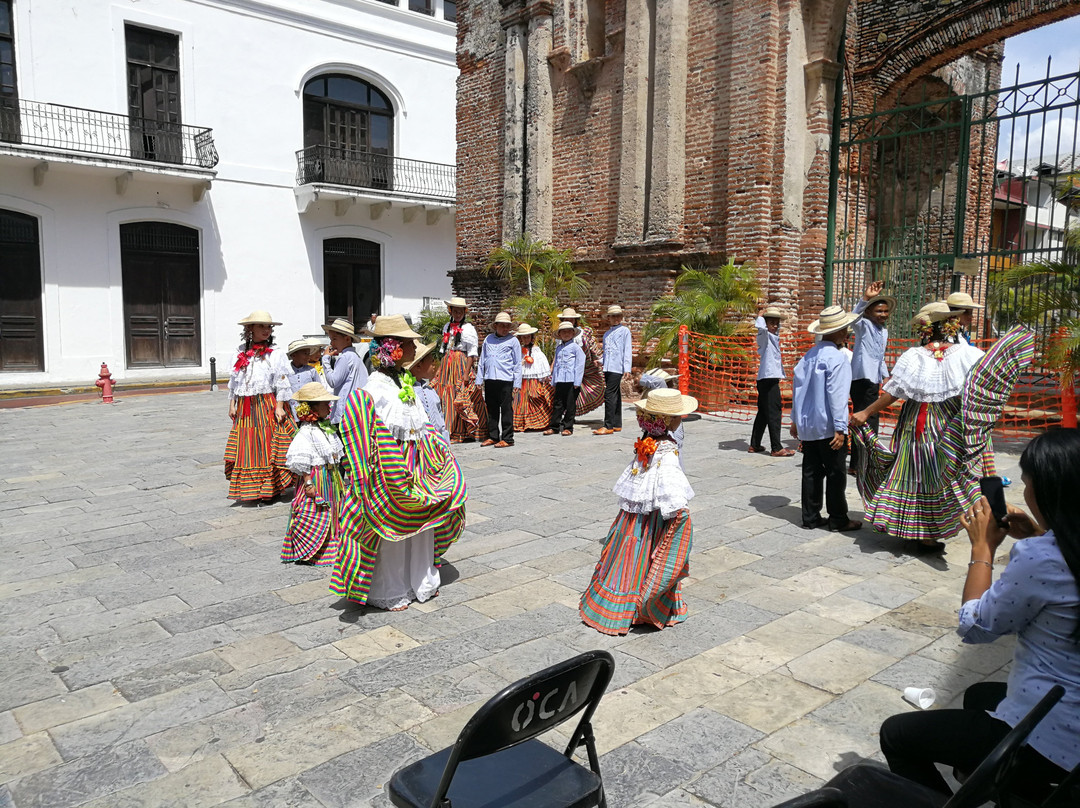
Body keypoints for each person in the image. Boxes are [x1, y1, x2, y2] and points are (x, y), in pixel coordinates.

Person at [878, 428, 1080, 803]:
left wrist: (982, 548)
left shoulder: (1042, 558)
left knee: (897, 734)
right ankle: (1015, 792)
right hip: (1070, 714)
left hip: (1053, 738)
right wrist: (1037, 532)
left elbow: (975, 626)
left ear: (1048, 490)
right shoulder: (1055, 547)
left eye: (1028, 483)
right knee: (979, 694)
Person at [331, 314, 467, 611]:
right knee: (393, 531)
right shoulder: (375, 388)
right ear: (393, 349)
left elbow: (421, 426)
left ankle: (421, 581)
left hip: (419, 467)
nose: (412, 348)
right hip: (391, 469)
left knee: (420, 526)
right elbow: (366, 433)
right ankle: (389, 588)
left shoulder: (404, 382)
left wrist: (441, 455)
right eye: (408, 344)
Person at [850, 301, 984, 551]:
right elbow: (981, 386)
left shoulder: (913, 356)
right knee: (943, 472)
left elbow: (894, 392)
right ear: (950, 326)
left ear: (925, 330)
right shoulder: (968, 354)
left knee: (914, 473)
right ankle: (932, 529)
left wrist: (867, 412)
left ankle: (918, 529)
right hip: (948, 424)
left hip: (914, 425)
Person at [579, 388, 697, 635]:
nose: (681, 419)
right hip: (653, 518)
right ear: (668, 421)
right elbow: (670, 486)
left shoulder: (648, 442)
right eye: (678, 416)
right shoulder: (667, 450)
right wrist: (680, 512)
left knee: (626, 554)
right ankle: (641, 607)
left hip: (634, 518)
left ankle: (617, 600)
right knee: (647, 558)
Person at [790, 306, 860, 531]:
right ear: (839, 332)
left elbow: (797, 392)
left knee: (811, 471)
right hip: (829, 425)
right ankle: (838, 518)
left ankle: (810, 516)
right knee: (835, 472)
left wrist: (795, 420)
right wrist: (841, 428)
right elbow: (837, 396)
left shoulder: (807, 357)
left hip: (808, 425)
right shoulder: (837, 359)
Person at [224, 310, 296, 503]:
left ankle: (271, 489)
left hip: (267, 404)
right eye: (262, 326)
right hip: (246, 407)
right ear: (250, 329)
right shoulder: (240, 351)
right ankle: (254, 489)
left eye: (269, 327)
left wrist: (280, 406)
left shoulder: (276, 353)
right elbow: (235, 381)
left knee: (267, 443)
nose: (267, 330)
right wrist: (233, 404)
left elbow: (281, 381)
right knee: (249, 446)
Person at [280, 383, 344, 566]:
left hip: (330, 477)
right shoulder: (306, 432)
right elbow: (302, 459)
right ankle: (315, 551)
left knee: (334, 508)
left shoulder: (326, 428)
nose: (328, 407)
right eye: (324, 404)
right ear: (312, 408)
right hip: (317, 477)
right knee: (317, 511)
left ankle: (334, 547)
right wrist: (308, 482)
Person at [848, 281, 895, 474]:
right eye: (878, 311)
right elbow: (851, 320)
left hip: (873, 378)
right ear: (868, 313)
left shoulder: (883, 331)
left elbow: (879, 355)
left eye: (885, 311)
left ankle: (862, 462)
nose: (883, 314)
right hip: (861, 377)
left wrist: (885, 375)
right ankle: (860, 464)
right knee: (867, 418)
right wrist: (865, 298)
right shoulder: (864, 325)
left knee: (870, 419)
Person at [434, 297, 484, 443]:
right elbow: (444, 349)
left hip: (461, 363)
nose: (457, 313)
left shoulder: (468, 329)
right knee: (446, 395)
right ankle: (449, 429)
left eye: (460, 311)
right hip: (447, 364)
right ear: (451, 311)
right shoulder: (447, 326)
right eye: (454, 310)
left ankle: (462, 431)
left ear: (464, 312)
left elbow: (472, 353)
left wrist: (466, 373)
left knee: (460, 394)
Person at [749, 305, 793, 457]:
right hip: (768, 379)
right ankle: (776, 447)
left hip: (767, 378)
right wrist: (760, 318)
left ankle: (755, 444)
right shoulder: (765, 337)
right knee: (774, 412)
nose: (775, 325)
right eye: (771, 322)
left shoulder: (774, 338)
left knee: (763, 413)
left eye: (777, 322)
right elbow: (761, 330)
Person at [475, 311, 522, 448]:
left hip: (506, 379)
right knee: (492, 409)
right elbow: (482, 360)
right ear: (496, 326)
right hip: (490, 379)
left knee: (506, 409)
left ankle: (508, 438)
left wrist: (517, 382)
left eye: (507, 326)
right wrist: (479, 379)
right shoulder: (488, 339)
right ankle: (493, 436)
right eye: (502, 326)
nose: (505, 329)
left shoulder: (513, 341)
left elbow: (517, 363)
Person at [321, 318, 369, 426]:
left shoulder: (345, 357)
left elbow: (333, 381)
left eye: (334, 339)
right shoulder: (355, 357)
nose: (331, 343)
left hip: (345, 412)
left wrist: (325, 360)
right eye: (331, 339)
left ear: (347, 339)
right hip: (355, 410)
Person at [559, 307, 606, 417]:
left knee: (578, 391)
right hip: (567, 368)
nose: (569, 321)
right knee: (566, 393)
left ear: (575, 320)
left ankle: (571, 415)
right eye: (567, 319)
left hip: (585, 367)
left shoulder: (583, 333)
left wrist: (597, 359)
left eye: (571, 319)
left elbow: (592, 346)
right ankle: (568, 416)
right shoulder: (561, 334)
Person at [594, 305, 633, 435]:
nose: (615, 318)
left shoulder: (624, 331)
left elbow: (627, 350)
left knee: (609, 394)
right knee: (615, 394)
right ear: (608, 318)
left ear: (621, 317)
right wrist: (600, 361)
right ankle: (616, 423)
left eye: (618, 316)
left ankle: (608, 425)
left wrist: (627, 368)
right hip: (608, 367)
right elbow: (607, 353)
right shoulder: (607, 334)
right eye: (613, 316)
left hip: (618, 367)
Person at [545, 322, 586, 436]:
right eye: (563, 331)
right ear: (560, 334)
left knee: (570, 404)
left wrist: (577, 381)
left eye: (569, 331)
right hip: (560, 380)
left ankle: (568, 427)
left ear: (573, 333)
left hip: (572, 381)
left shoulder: (576, 348)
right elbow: (556, 364)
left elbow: (580, 365)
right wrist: (553, 380)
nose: (566, 334)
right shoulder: (558, 348)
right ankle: (554, 426)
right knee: (557, 404)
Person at [639, 368, 685, 463]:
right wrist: (640, 378)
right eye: (670, 381)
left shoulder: (652, 410)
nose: (673, 384)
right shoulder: (665, 399)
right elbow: (659, 382)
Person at [513, 323, 553, 433]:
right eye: (523, 337)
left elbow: (541, 363)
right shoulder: (518, 350)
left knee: (535, 399)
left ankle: (536, 423)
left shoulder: (536, 351)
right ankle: (521, 423)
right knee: (520, 402)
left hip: (534, 380)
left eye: (527, 336)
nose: (525, 339)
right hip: (522, 380)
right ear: (520, 338)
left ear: (531, 337)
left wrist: (544, 377)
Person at [409, 341, 449, 444]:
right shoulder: (410, 392)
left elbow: (440, 421)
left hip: (438, 443)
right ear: (418, 366)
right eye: (431, 362)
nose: (434, 365)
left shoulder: (431, 391)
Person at [285, 338, 321, 419]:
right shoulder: (286, 371)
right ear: (293, 355)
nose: (308, 357)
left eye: (309, 354)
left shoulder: (311, 371)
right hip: (290, 411)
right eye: (305, 354)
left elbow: (319, 389)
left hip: (309, 412)